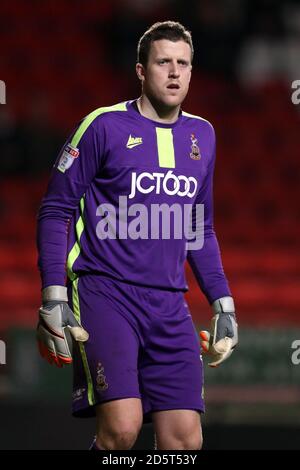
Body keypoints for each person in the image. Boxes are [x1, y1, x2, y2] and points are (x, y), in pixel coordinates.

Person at [36, 21, 238, 451]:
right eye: (163, 61)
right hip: (105, 294)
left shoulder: (203, 135)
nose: (174, 72)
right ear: (141, 71)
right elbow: (56, 209)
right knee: (121, 430)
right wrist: (53, 294)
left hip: (169, 302)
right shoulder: (102, 126)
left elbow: (199, 227)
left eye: (183, 63)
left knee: (184, 442)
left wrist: (223, 304)